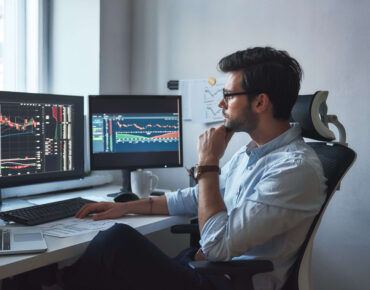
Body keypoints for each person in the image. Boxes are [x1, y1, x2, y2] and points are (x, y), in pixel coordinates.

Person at [56, 47, 326, 290]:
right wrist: (126, 207)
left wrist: (208, 163)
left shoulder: (293, 169)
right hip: (208, 269)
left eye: (228, 95)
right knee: (112, 267)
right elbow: (198, 198)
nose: (221, 104)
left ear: (260, 102)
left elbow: (217, 246)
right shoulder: (252, 153)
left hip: (227, 282)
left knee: (117, 242)